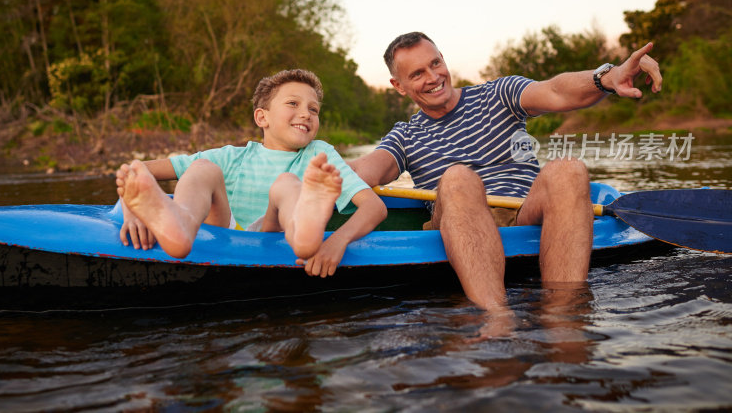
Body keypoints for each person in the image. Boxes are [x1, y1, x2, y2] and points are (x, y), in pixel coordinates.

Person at [349, 32, 662, 310]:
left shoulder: (498, 94)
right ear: (398, 86)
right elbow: (367, 169)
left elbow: (556, 91)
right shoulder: (406, 135)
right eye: (417, 73)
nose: (433, 77)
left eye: (435, 63)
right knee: (458, 177)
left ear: (443, 60)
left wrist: (606, 77)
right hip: (458, 220)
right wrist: (313, 167)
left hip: (523, 212)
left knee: (569, 170)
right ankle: (495, 321)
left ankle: (564, 316)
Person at [116, 69, 387, 275]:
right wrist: (132, 211)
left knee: (287, 183)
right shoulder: (233, 156)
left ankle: (305, 232)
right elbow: (135, 173)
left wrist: (338, 241)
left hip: (277, 230)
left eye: (313, 109)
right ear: (262, 118)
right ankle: (179, 227)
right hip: (228, 227)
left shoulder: (318, 155)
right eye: (293, 104)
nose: (306, 113)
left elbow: (374, 207)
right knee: (202, 169)